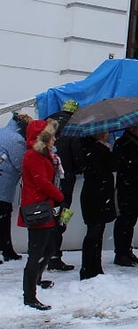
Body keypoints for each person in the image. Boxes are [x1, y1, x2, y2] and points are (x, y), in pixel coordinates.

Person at [19, 119, 65, 310]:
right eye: (51, 135)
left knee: (47, 248)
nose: (54, 139)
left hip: (44, 208)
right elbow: (42, 183)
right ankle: (29, 296)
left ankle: (36, 281)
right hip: (38, 210)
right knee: (37, 252)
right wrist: (60, 195)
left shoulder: (44, 155)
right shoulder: (33, 156)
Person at [47, 99, 81, 272]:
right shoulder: (74, 126)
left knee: (48, 216)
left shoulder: (49, 122)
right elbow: (77, 156)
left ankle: (45, 252)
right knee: (63, 214)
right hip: (66, 179)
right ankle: (55, 255)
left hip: (48, 178)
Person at [79, 132, 117, 280]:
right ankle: (89, 267)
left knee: (97, 231)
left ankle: (94, 265)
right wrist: (110, 154)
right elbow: (104, 169)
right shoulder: (96, 150)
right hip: (96, 195)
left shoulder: (90, 148)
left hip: (95, 194)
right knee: (94, 232)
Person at [112, 125, 138, 267]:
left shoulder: (134, 142)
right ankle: (121, 253)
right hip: (128, 187)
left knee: (129, 221)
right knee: (125, 221)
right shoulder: (125, 144)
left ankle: (126, 251)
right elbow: (121, 164)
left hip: (131, 186)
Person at [0, 113, 32, 262]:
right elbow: (22, 165)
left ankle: (6, 249)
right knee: (3, 219)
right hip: (3, 186)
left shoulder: (2, 131)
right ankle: (7, 251)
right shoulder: (16, 140)